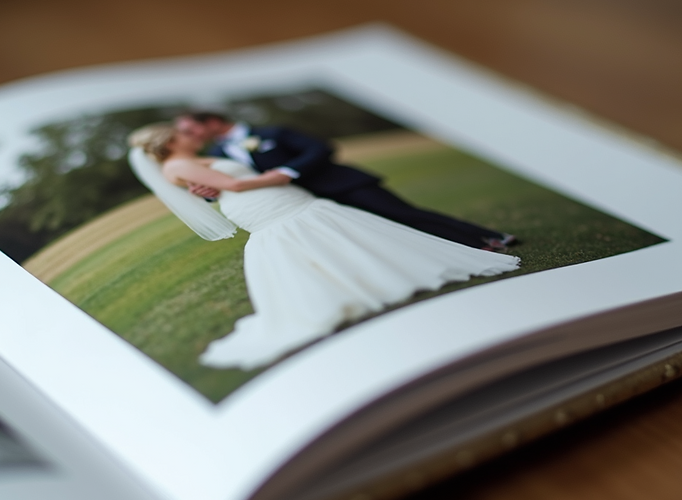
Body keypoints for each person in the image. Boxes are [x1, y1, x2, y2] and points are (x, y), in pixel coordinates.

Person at [127, 124, 520, 370]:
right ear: (169, 141)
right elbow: (232, 186)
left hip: (283, 198)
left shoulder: (200, 158)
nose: (189, 134)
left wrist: (233, 184)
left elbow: (217, 182)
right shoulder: (176, 166)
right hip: (264, 203)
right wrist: (278, 177)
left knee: (348, 231)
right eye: (180, 132)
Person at [175, 112, 518, 251]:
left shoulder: (272, 132)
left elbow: (322, 148)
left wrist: (289, 172)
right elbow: (225, 181)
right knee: (380, 232)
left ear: (214, 121)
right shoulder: (217, 153)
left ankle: (487, 237)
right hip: (306, 203)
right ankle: (457, 250)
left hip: (343, 183)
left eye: (191, 129)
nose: (188, 136)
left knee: (406, 215)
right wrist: (205, 193)